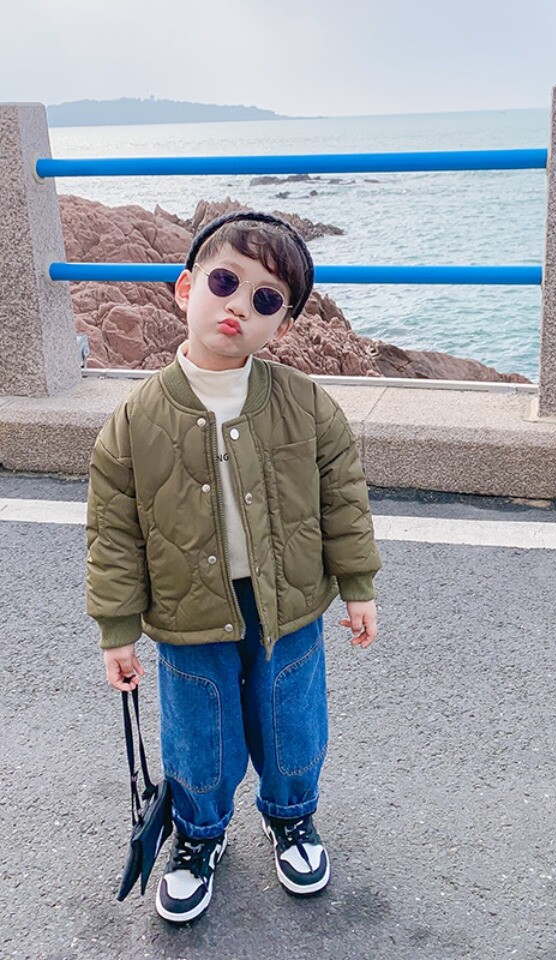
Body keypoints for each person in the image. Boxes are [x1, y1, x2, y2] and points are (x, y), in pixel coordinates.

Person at [86, 211, 382, 924]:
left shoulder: (305, 403)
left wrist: (357, 585)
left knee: (292, 721)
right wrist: (117, 628)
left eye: (265, 299)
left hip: (289, 603)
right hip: (186, 612)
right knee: (199, 731)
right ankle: (198, 833)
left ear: (281, 324)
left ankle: (291, 817)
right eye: (225, 282)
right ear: (186, 288)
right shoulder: (135, 419)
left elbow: (342, 495)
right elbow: (114, 530)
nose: (239, 306)